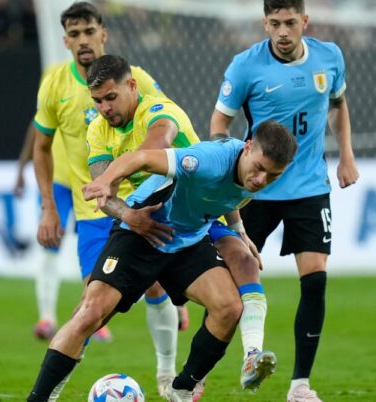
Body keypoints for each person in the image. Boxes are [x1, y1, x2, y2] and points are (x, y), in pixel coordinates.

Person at [26, 120, 297, 402]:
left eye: (272, 176)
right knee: (90, 314)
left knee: (229, 308)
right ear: (248, 147)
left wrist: (240, 232)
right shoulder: (205, 160)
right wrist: (105, 182)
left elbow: (227, 196)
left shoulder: (255, 175)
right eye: (260, 169)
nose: (262, 180)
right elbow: (140, 158)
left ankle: (181, 389)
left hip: (188, 240)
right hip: (144, 229)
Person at [86, 54, 278, 395]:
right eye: (98, 101)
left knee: (246, 261)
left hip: (196, 208)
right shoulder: (98, 131)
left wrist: (240, 231)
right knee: (132, 295)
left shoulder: (158, 112)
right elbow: (107, 192)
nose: (104, 106)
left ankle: (249, 354)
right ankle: (167, 368)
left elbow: (219, 190)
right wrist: (126, 212)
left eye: (110, 98)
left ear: (130, 86)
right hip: (151, 211)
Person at [210, 1, 359, 401]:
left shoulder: (330, 57)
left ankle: (300, 385)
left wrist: (346, 154)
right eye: (274, 23)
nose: (282, 31)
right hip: (256, 191)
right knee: (224, 287)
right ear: (264, 23)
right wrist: (236, 169)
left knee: (315, 282)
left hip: (310, 187)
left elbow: (339, 105)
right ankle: (200, 375)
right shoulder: (245, 66)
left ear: (304, 22)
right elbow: (218, 124)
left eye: (290, 22)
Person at [29, 0, 184, 376]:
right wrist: (49, 206)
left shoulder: (137, 79)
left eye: (89, 31)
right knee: (92, 308)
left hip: (142, 201)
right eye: (74, 34)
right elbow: (41, 147)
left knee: (153, 289)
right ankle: (50, 387)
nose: (83, 40)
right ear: (65, 41)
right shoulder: (55, 85)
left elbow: (166, 127)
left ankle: (168, 377)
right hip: (94, 214)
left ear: (104, 34)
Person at [13, 120, 74, 341]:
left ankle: (96, 319)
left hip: (92, 175)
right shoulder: (52, 83)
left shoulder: (103, 87)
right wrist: (21, 167)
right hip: (56, 176)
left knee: (97, 249)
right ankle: (47, 318)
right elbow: (38, 125)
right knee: (50, 244)